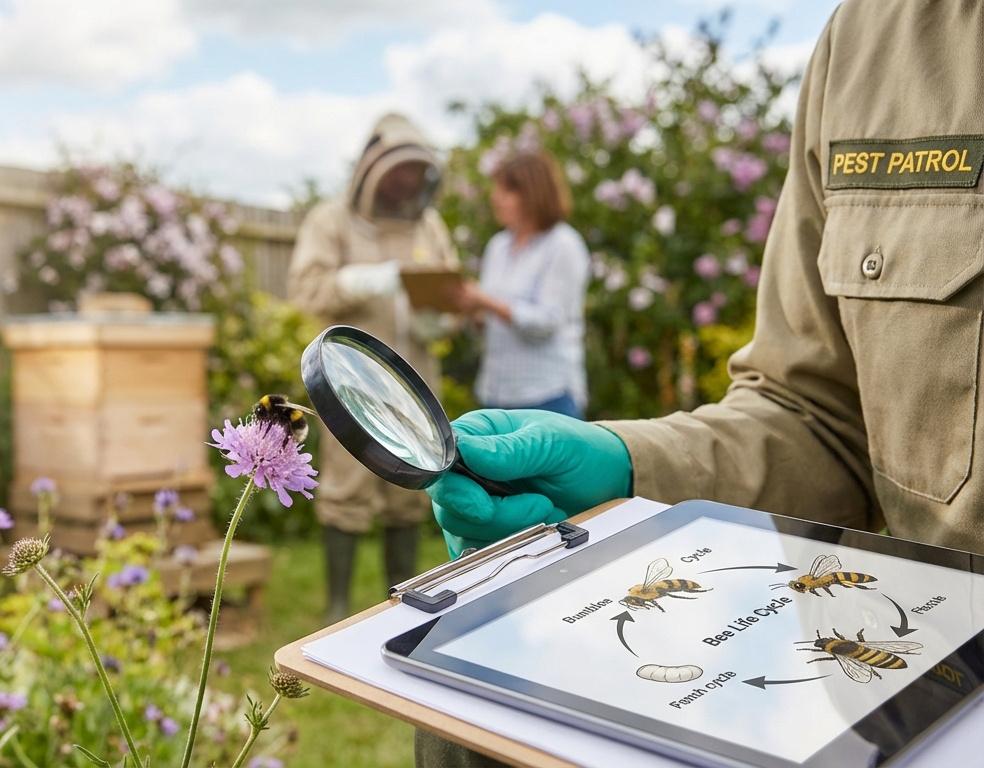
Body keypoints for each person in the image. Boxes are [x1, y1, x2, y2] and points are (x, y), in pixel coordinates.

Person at [417, 1, 984, 764]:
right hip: (928, 679)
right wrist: (629, 469)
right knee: (464, 725)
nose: (497, 202)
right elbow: (820, 416)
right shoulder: (869, 40)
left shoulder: (564, 246)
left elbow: (546, 317)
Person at [288, 113, 459, 623]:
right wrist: (367, 281)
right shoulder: (331, 220)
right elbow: (306, 290)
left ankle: (400, 601)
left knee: (409, 488)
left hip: (416, 378)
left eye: (414, 173)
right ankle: (337, 607)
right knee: (347, 487)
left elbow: (449, 290)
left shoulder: (429, 224)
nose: (407, 183)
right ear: (372, 170)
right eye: (398, 172)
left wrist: (440, 317)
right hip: (350, 381)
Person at [454, 151, 589, 418]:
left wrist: (486, 301)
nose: (495, 197)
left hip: (548, 395)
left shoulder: (563, 245)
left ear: (532, 194)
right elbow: (491, 318)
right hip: (497, 394)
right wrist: (474, 311)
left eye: (506, 191)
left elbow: (546, 323)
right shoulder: (498, 246)